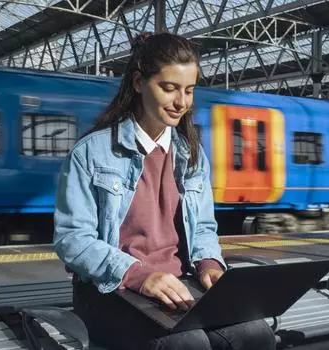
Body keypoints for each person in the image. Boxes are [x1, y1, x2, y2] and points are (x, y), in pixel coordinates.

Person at [53, 32, 276, 350]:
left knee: (257, 335)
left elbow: (203, 229)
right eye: (168, 88)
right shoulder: (91, 153)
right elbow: (73, 240)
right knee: (187, 345)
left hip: (181, 285)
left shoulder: (192, 154)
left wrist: (209, 264)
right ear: (139, 83)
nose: (181, 102)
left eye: (188, 90)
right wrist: (140, 275)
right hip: (111, 291)